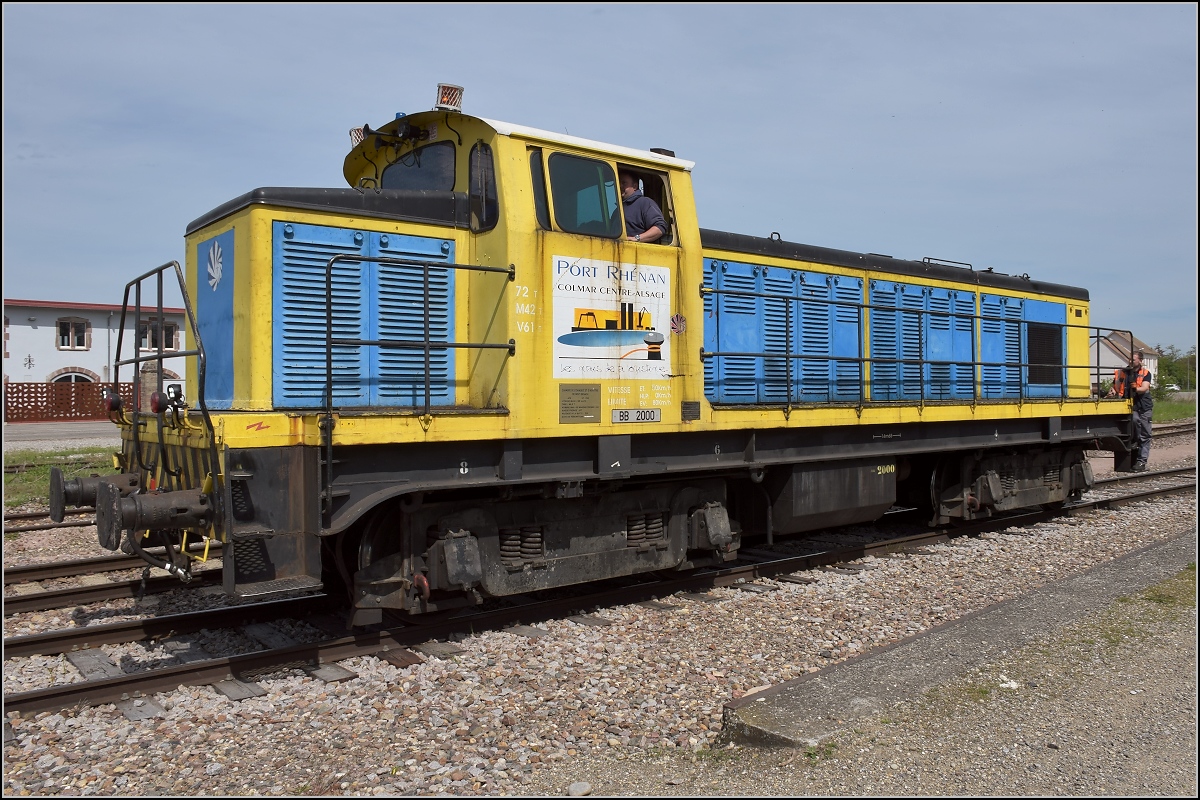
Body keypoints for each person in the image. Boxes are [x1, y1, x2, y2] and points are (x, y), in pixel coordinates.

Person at [1106, 349, 1153, 471]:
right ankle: (1135, 444)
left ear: (1140, 361)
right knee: (1133, 423)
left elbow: (1144, 388)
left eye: (1133, 359)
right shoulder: (1123, 372)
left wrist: (1136, 388)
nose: (1130, 361)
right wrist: (1112, 391)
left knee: (1145, 435)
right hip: (1129, 406)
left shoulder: (1145, 373)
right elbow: (1116, 386)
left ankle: (1142, 461)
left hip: (1143, 407)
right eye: (1129, 359)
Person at [618, 171, 667, 244]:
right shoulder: (618, 209)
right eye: (619, 183)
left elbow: (659, 228)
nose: (620, 186)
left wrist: (636, 238)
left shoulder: (644, 203)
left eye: (624, 183)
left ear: (634, 186)